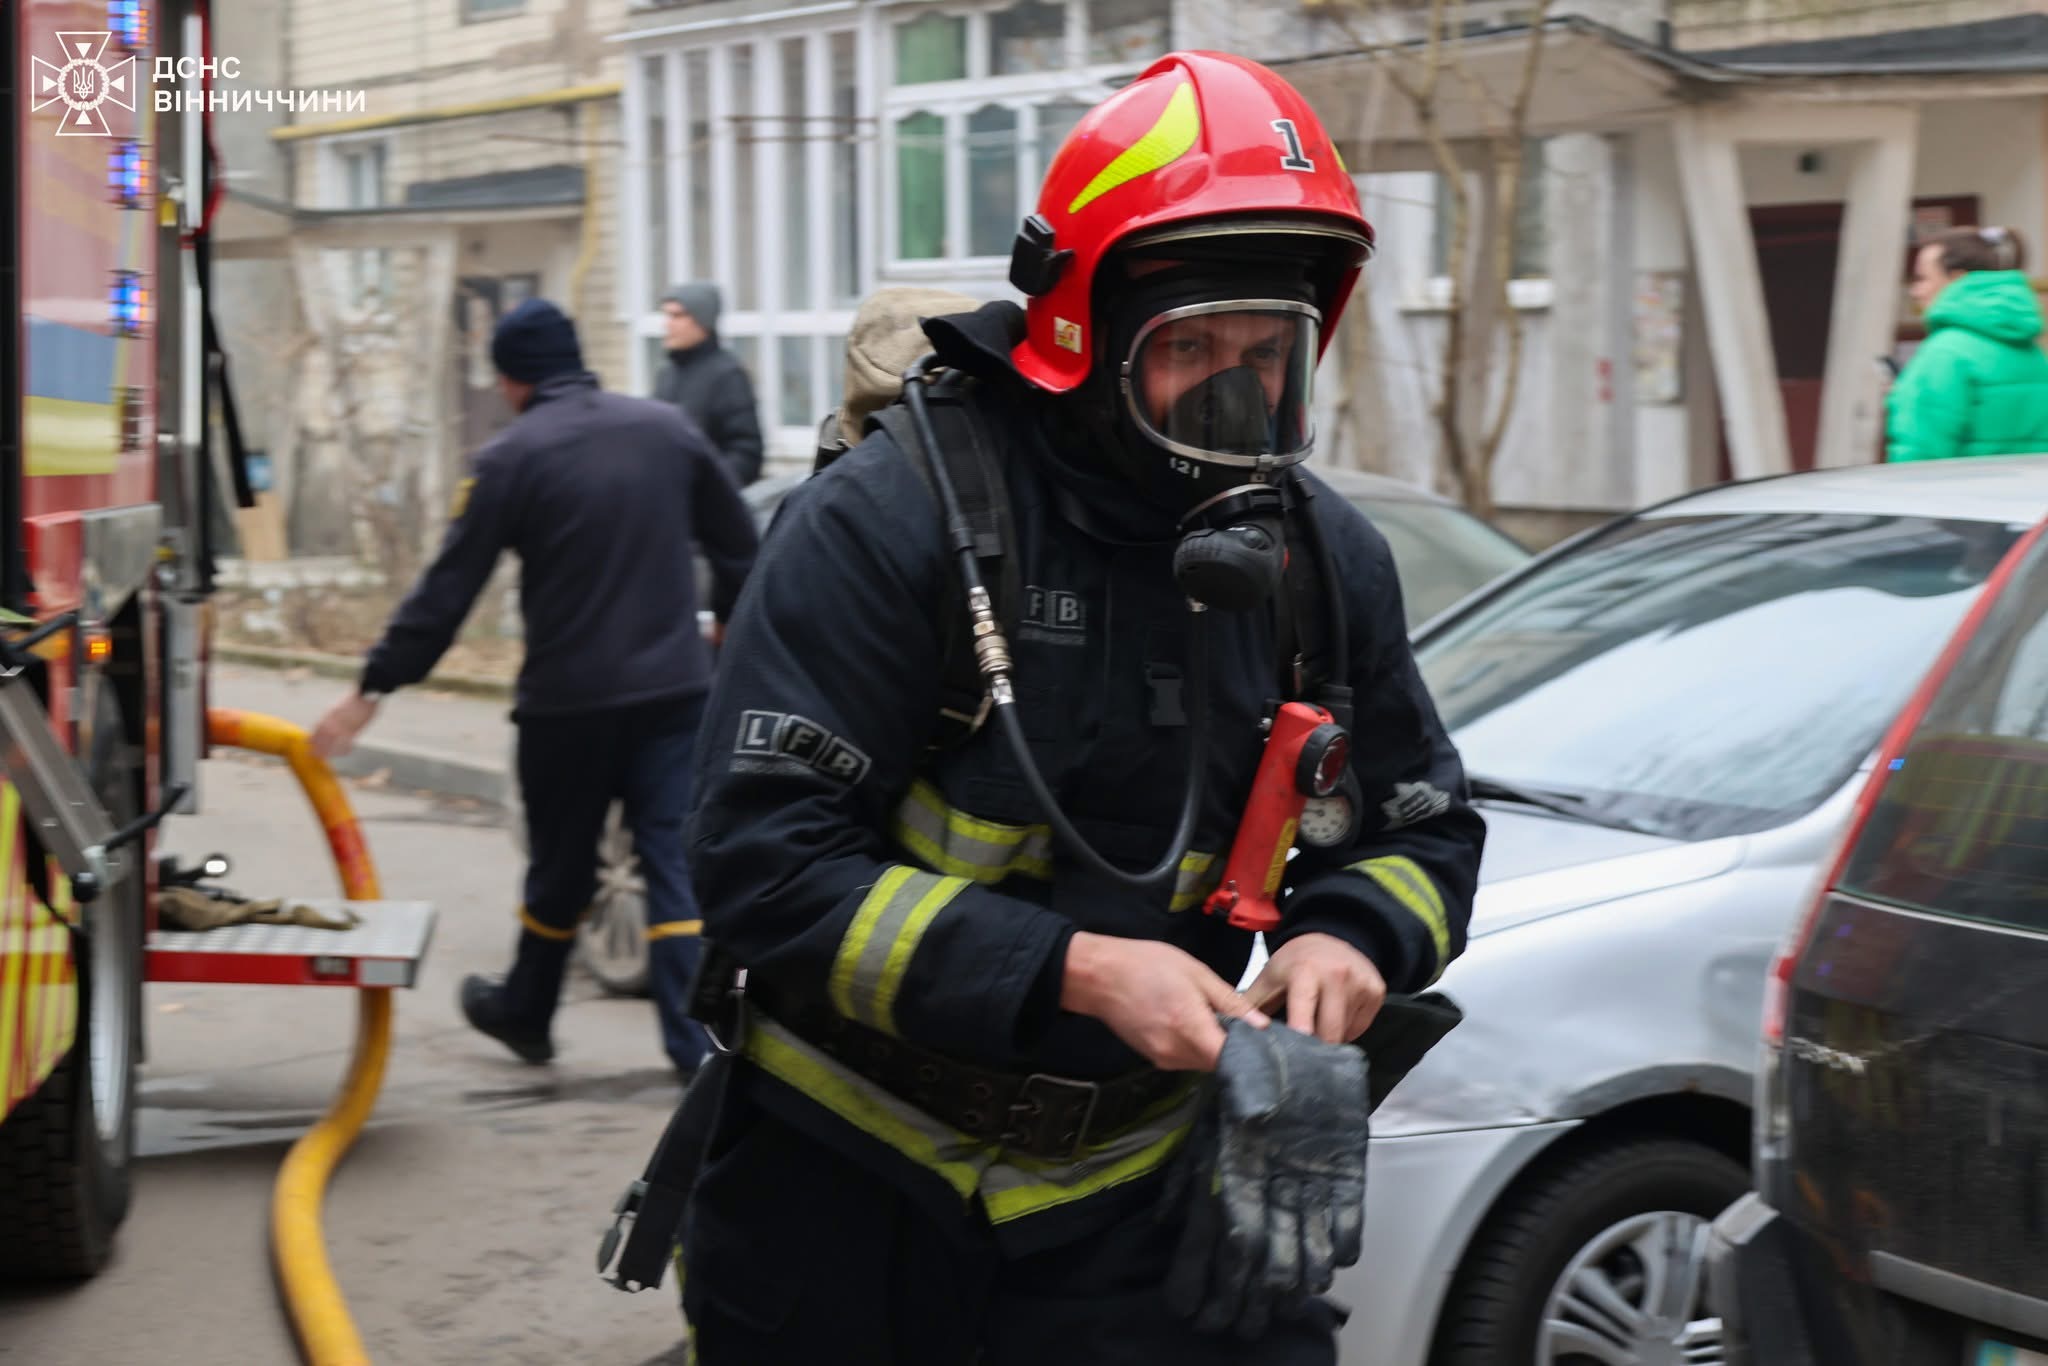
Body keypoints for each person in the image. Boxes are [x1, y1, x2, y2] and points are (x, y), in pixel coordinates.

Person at [676, 53, 1484, 1364]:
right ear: (1085, 336)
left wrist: (1351, 941)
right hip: (848, 1185)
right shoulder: (896, 522)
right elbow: (760, 863)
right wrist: (1076, 969)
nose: (1239, 389)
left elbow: (1427, 832)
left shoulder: (1322, 562)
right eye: (1193, 349)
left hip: (1142, 1194)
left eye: (1267, 349)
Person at [311, 298, 757, 1080]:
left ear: (512, 379)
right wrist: (727, 632)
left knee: (561, 864)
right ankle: (697, 1050)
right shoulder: (666, 430)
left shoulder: (511, 457)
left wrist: (375, 684)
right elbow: (741, 547)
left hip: (570, 705)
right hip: (676, 693)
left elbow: (449, 590)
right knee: (674, 862)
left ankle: (526, 1011)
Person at [1888, 225, 2048, 462]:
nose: (1915, 291)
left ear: (1957, 278)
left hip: (1958, 496)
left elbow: (1918, 456)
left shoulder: (1946, 352)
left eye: (1922, 278)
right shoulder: (2033, 351)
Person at [655, 283, 764, 487]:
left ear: (702, 321)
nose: (667, 324)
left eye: (677, 316)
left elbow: (746, 452)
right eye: (666, 315)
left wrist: (708, 489)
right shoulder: (667, 373)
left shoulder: (728, 375)